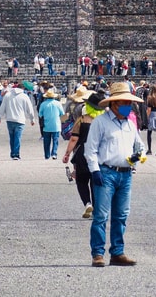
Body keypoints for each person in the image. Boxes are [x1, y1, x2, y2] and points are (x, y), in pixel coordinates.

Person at [84, 82, 144, 267]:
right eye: (125, 102)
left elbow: (140, 146)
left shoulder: (130, 124)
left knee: (121, 215)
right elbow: (90, 149)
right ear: (114, 104)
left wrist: (136, 156)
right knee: (101, 215)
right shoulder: (100, 122)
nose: (128, 106)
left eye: (129, 103)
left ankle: (117, 251)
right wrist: (94, 170)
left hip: (125, 173)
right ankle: (98, 253)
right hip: (106, 172)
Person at [63, 88, 102, 219]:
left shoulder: (82, 120)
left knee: (81, 181)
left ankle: (87, 203)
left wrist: (67, 153)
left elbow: (74, 138)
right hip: (98, 154)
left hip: (82, 152)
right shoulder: (103, 121)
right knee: (95, 182)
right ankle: (96, 208)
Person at [0, 82, 37, 160]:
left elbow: (2, 107)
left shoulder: (8, 95)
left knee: (12, 137)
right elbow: (30, 109)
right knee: (17, 137)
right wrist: (32, 119)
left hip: (9, 119)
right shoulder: (24, 96)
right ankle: (16, 154)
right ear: (23, 89)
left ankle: (13, 153)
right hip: (20, 119)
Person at [39, 88, 65, 160]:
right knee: (55, 140)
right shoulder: (58, 104)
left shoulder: (43, 104)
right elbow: (62, 114)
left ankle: (47, 155)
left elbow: (40, 114)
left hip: (46, 125)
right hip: (56, 125)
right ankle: (54, 153)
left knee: (46, 141)